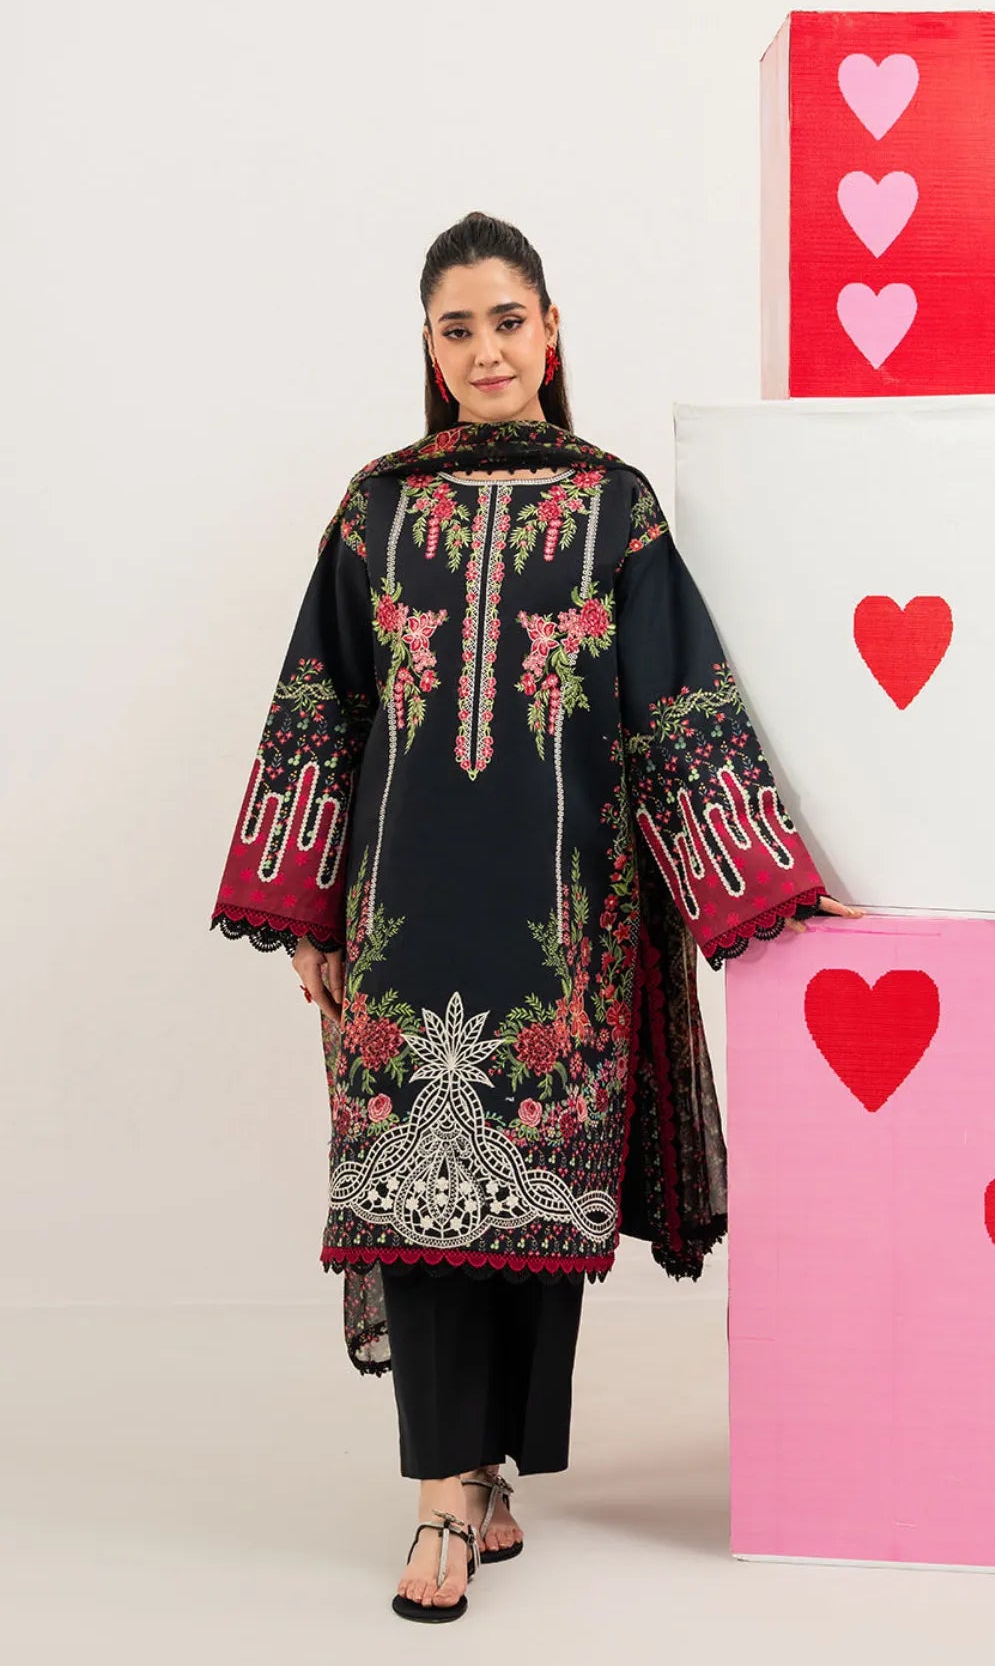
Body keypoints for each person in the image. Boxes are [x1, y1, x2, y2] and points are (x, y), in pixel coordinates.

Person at [210, 210, 861, 1623]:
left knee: (535, 1201)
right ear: (429, 349)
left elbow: (676, 698)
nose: (487, 350)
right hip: (400, 916)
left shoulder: (617, 507)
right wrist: (305, 904)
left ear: (551, 332)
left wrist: (759, 868)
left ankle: (492, 1467)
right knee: (418, 1198)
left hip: (566, 918)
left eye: (508, 321)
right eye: (458, 329)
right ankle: (439, 1499)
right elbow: (321, 700)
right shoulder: (375, 510)